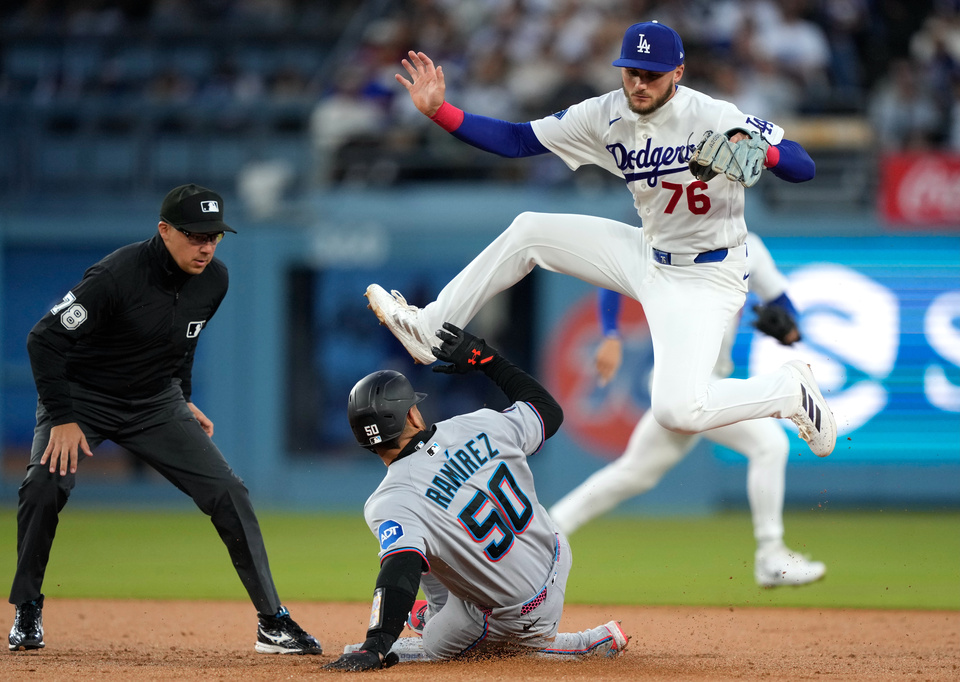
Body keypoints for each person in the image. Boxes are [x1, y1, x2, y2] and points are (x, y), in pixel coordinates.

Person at [365, 20, 836, 463]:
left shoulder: (715, 115)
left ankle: (788, 391)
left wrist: (766, 153)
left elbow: (805, 166)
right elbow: (518, 141)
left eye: (652, 76)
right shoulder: (605, 113)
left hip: (708, 274)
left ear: (678, 72)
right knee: (531, 230)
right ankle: (431, 329)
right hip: (647, 255)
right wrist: (441, 113)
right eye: (632, 72)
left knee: (678, 411)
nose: (639, 85)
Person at [7, 184, 321, 656]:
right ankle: (26, 609)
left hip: (155, 403)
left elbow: (183, 341)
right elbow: (42, 340)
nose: (206, 246)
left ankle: (272, 622)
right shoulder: (116, 275)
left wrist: (183, 396)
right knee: (43, 486)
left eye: (214, 236)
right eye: (195, 235)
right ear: (165, 230)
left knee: (229, 493)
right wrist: (63, 417)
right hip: (82, 399)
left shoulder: (215, 279)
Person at [323, 323, 627, 671]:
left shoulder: (390, 499)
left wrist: (375, 645)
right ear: (411, 413)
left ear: (365, 441)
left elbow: (400, 567)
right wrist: (487, 360)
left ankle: (581, 644)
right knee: (425, 535)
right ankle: (441, 614)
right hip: (555, 553)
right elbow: (548, 411)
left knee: (433, 642)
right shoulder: (481, 423)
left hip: (517, 613)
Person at [549, 232, 826, 587]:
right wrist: (612, 335)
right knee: (769, 445)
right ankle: (771, 555)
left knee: (635, 473)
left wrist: (788, 325)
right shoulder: (675, 236)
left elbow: (783, 301)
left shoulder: (750, 248)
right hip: (680, 382)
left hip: (706, 383)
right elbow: (612, 275)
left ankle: (551, 529)